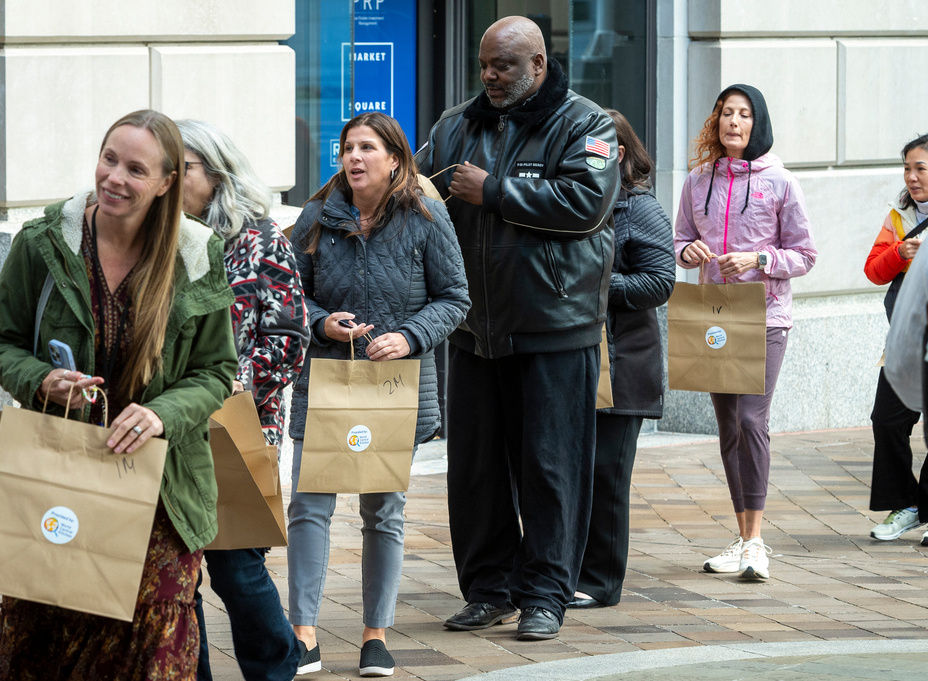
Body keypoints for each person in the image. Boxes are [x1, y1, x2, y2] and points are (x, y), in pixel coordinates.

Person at [0, 110, 238, 678]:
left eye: (136, 169)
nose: (114, 177)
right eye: (109, 158)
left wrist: (161, 413)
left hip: (160, 489)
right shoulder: (44, 244)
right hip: (58, 475)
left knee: (150, 649)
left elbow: (217, 370)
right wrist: (40, 380)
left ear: (167, 182)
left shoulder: (196, 256)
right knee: (45, 644)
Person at [416, 16, 620, 641]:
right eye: (484, 65)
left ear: (537, 62)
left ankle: (545, 596)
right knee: (474, 469)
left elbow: (588, 203)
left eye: (503, 65)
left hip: (554, 327)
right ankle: (488, 590)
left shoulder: (588, 123)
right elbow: (412, 189)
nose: (490, 77)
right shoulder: (454, 126)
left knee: (549, 470)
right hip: (474, 328)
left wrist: (496, 191)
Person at [287, 112, 469, 676]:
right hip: (327, 382)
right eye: (347, 148)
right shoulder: (316, 216)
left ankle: (375, 637)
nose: (354, 158)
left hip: (396, 386)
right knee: (310, 506)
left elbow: (455, 297)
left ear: (395, 158)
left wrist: (409, 336)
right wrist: (322, 324)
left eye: (367, 147)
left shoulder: (426, 215)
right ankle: (304, 633)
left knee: (382, 512)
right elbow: (289, 295)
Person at [176, 119, 309, 681]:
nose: (167, 178)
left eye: (179, 167)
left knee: (235, 566)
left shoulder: (258, 238)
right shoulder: (160, 241)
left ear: (214, 173)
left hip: (239, 425)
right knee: (180, 570)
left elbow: (289, 338)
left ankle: (277, 667)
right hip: (172, 425)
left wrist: (231, 384)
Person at [674, 84, 817, 581]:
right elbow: (680, 237)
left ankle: (757, 542)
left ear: (759, 124)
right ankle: (742, 536)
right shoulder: (697, 180)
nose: (734, 122)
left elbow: (806, 255)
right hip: (713, 312)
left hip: (764, 314)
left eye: (744, 114)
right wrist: (688, 250)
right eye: (726, 113)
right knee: (729, 425)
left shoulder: (780, 181)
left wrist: (759, 260)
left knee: (753, 421)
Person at [569, 110, 675, 610]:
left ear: (623, 152)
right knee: (569, 474)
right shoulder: (571, 202)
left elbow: (659, 282)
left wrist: (595, 286)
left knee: (607, 475)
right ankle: (563, 572)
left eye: (599, 149)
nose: (591, 158)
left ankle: (600, 581)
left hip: (624, 360)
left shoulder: (641, 209)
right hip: (573, 358)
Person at [865, 134, 928, 543]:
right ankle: (907, 504)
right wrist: (900, 255)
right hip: (908, 340)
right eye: (907, 168)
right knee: (886, 420)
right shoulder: (900, 216)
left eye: (920, 168)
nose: (911, 177)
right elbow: (873, 270)